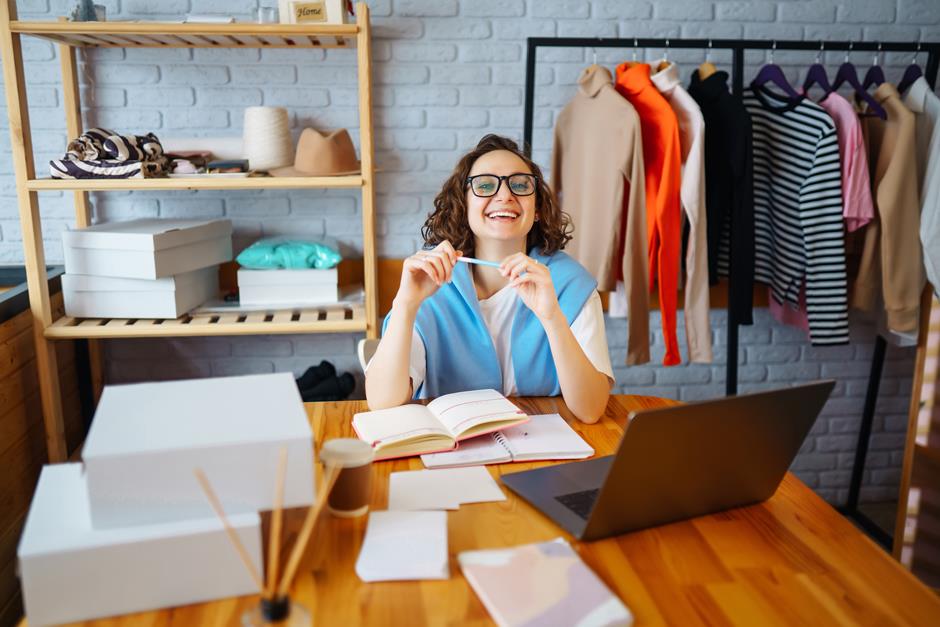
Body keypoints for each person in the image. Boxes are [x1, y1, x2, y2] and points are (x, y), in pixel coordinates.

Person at [365, 134, 614, 424]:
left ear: (537, 210)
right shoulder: (430, 282)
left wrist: (551, 317)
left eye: (520, 185)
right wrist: (406, 305)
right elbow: (382, 403)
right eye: (485, 185)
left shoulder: (571, 284)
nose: (504, 195)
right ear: (464, 205)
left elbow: (591, 409)